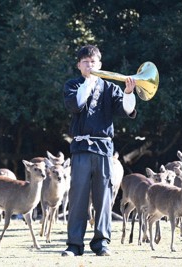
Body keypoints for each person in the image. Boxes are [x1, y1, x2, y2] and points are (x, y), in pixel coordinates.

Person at [62, 45, 137, 257]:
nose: (90, 65)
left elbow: (127, 110)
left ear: (100, 64)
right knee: (78, 197)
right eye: (85, 62)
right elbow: (76, 105)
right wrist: (89, 81)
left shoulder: (110, 88)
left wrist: (129, 92)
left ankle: (101, 242)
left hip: (104, 148)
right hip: (80, 148)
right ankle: (74, 245)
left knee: (104, 196)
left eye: (93, 62)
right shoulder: (72, 85)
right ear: (78, 65)